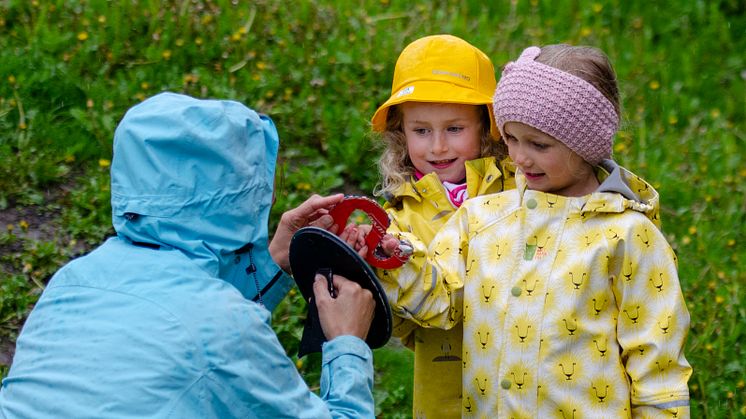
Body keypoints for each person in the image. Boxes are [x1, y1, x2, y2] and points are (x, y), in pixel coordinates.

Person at [0, 92, 376, 418]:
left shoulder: (73, 281)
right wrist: (347, 344)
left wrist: (274, 260)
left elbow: (180, 325)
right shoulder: (225, 326)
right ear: (238, 201)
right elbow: (211, 333)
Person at [423, 45, 692, 417]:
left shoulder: (627, 236)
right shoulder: (482, 220)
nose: (519, 157)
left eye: (539, 144)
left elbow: (657, 366)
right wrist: (389, 257)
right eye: (512, 138)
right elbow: (436, 298)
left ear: (586, 146)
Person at [367, 34, 515, 418]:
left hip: (529, 379)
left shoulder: (517, 185)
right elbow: (401, 323)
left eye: (454, 129)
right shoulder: (397, 219)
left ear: (487, 126)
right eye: (421, 131)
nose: (437, 147)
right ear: (401, 132)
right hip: (448, 389)